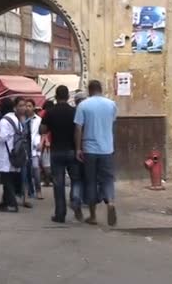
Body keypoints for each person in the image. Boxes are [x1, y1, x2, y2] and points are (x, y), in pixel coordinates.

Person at [75, 80, 118, 226]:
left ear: (89, 90)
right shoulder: (111, 104)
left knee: (91, 181)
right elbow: (111, 124)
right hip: (107, 149)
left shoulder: (83, 105)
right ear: (101, 89)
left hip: (90, 149)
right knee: (107, 179)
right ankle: (110, 202)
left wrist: (78, 148)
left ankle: (93, 215)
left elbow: (78, 128)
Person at [40, 85, 83, 223]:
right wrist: (78, 149)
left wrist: (47, 123)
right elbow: (79, 130)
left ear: (56, 97)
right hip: (72, 150)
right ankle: (76, 199)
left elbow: (42, 130)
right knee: (76, 179)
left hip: (56, 152)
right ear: (68, 97)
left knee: (58, 185)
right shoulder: (74, 111)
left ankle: (60, 214)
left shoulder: (50, 112)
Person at [0, 97, 27, 213]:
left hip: (6, 154)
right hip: (14, 153)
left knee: (6, 180)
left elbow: (2, 137)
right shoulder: (16, 119)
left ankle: (12, 204)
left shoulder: (4, 121)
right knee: (8, 178)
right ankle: (5, 202)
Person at [25, 99, 43, 200]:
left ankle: (38, 190)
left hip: (35, 147)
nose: (27, 108)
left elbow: (43, 133)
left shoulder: (39, 120)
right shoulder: (22, 119)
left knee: (35, 169)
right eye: (26, 106)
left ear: (33, 107)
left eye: (30, 106)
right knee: (26, 170)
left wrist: (41, 142)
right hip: (25, 148)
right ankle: (28, 191)